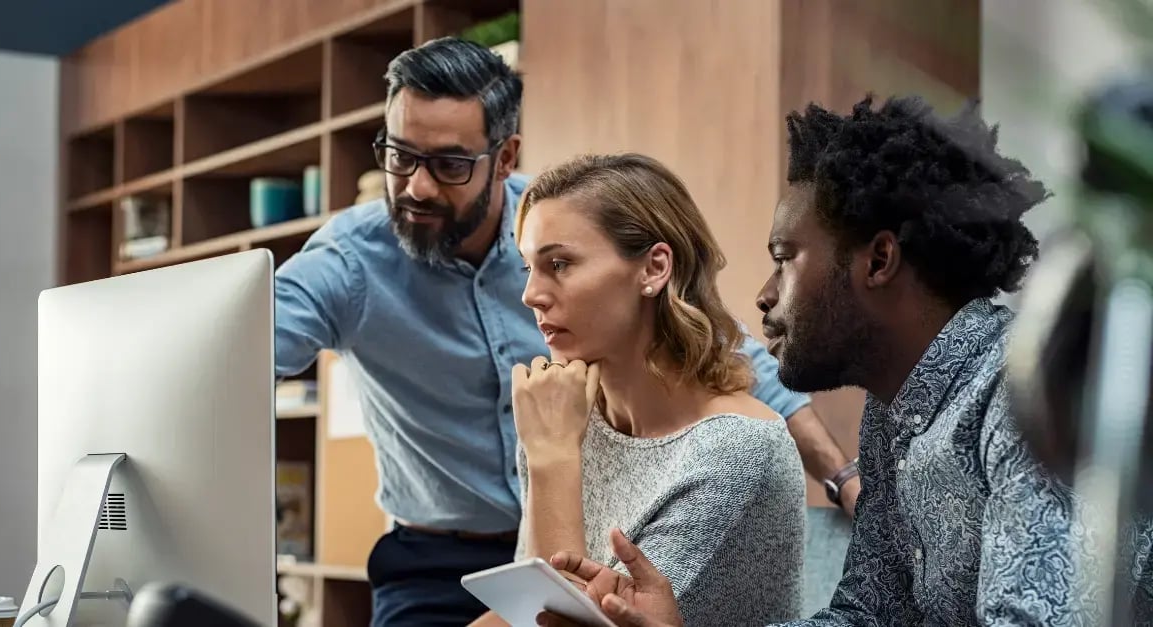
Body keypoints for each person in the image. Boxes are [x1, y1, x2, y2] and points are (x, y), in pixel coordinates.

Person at [273, 36, 855, 626]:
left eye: (449, 164)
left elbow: (741, 365)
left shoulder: (561, 218)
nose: (418, 186)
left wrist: (843, 474)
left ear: (504, 158)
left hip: (548, 532)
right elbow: (242, 352)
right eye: (400, 157)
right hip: (436, 551)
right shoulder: (349, 263)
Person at [533, 95, 1153, 626]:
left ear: (878, 262)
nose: (765, 295)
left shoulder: (1020, 393)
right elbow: (868, 616)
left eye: (786, 257)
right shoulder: (895, 416)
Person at [471, 153, 806, 626]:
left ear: (653, 268)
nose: (530, 294)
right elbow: (520, 612)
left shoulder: (739, 451)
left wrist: (552, 459)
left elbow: (558, 625)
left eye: (560, 264)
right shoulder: (567, 419)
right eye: (529, 267)